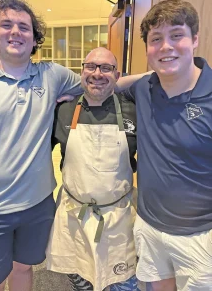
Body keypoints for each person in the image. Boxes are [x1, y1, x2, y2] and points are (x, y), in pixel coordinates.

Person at [0, 0, 145, 291]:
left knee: (24, 268)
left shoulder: (52, 75)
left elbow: (99, 83)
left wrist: (167, 77)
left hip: (36, 204)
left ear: (35, 37)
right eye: (6, 25)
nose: (15, 32)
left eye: (24, 27)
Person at [124, 0, 212, 291]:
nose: (166, 47)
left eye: (177, 35)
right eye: (156, 39)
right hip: (149, 226)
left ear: (195, 39)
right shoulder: (144, 89)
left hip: (201, 236)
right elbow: (111, 82)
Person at [46, 47, 141, 291]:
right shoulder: (63, 110)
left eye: (106, 68)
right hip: (73, 214)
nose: (97, 73)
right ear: (82, 71)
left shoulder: (133, 110)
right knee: (80, 281)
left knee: (123, 283)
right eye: (91, 67)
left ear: (117, 75)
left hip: (117, 218)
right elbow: (36, 155)